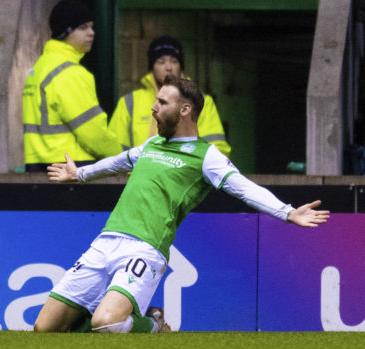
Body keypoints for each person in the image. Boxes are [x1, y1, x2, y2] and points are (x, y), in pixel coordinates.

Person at [34, 76, 329, 333]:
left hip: (146, 248)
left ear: (185, 109)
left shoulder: (206, 156)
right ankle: (110, 323)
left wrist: (287, 212)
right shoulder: (151, 145)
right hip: (106, 241)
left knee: (107, 323)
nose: (154, 107)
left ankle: (152, 325)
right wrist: (79, 174)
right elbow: (117, 163)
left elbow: (243, 188)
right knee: (44, 328)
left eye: (162, 102)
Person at [23, 0, 122, 172]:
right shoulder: (70, 73)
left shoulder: (40, 68)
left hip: (38, 164)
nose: (91, 33)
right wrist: (120, 158)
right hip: (73, 165)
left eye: (92, 27)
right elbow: (93, 133)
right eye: (83, 28)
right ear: (65, 32)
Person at [109, 35, 232, 157]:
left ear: (181, 66)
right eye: (161, 62)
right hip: (141, 174)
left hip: (184, 174)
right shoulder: (130, 102)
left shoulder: (201, 100)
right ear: (152, 67)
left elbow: (217, 148)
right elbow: (115, 150)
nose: (168, 67)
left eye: (174, 61)